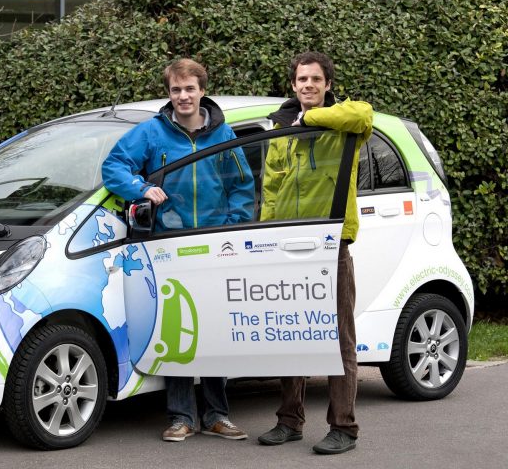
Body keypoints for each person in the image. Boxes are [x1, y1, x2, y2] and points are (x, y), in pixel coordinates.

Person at [102, 58, 254, 442]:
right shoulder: (152, 133)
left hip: (215, 245)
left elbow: (242, 185)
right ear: (169, 94)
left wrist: (231, 227)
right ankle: (181, 417)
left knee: (214, 328)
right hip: (170, 244)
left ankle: (217, 415)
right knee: (177, 328)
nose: (183, 96)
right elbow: (114, 167)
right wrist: (141, 188)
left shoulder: (223, 134)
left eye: (189, 89)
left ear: (203, 90)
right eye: (176, 90)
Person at [256, 51, 373, 455]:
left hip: (331, 242)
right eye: (302, 79)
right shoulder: (279, 128)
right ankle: (289, 421)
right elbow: (271, 188)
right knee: (292, 335)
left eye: (316, 79)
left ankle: (344, 427)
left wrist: (310, 119)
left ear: (327, 85)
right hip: (287, 242)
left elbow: (363, 115)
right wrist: (266, 238)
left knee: (340, 339)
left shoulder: (344, 121)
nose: (308, 85)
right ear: (293, 85)